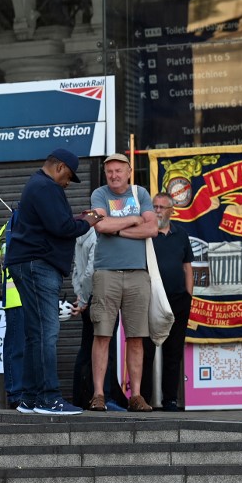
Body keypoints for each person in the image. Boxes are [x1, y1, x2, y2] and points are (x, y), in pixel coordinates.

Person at [6, 149, 100, 415]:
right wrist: (88, 222)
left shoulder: (37, 185)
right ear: (59, 167)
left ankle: (30, 398)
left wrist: (78, 219)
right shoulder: (47, 187)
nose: (67, 183)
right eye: (68, 177)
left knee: (35, 334)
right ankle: (49, 398)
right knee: (47, 333)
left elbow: (54, 223)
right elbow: (61, 228)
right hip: (39, 265)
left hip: (28, 264)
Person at [87, 152, 158, 412]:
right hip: (106, 273)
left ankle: (136, 395)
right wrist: (133, 220)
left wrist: (117, 227)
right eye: (109, 172)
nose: (114, 176)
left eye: (118, 171)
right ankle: (98, 394)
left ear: (129, 171)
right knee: (102, 334)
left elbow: (152, 229)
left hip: (138, 274)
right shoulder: (99, 194)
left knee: (136, 337)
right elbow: (101, 226)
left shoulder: (141, 194)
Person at [140, 192, 194, 412]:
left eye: (162, 207)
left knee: (173, 351)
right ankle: (143, 398)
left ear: (172, 210)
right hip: (150, 300)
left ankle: (170, 399)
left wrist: (188, 296)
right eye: (155, 206)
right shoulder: (145, 234)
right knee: (146, 351)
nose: (158, 210)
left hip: (178, 300)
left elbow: (188, 267)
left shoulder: (181, 234)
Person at [72, 227, 127, 411]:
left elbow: (76, 271)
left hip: (87, 298)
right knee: (106, 349)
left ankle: (80, 398)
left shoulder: (81, 235)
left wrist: (80, 297)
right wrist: (86, 298)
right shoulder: (98, 236)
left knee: (87, 350)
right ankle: (106, 396)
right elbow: (90, 271)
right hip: (99, 296)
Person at [0, 215, 25, 410]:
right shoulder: (10, 228)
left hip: (30, 297)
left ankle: (24, 392)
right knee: (16, 348)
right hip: (16, 297)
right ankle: (16, 394)